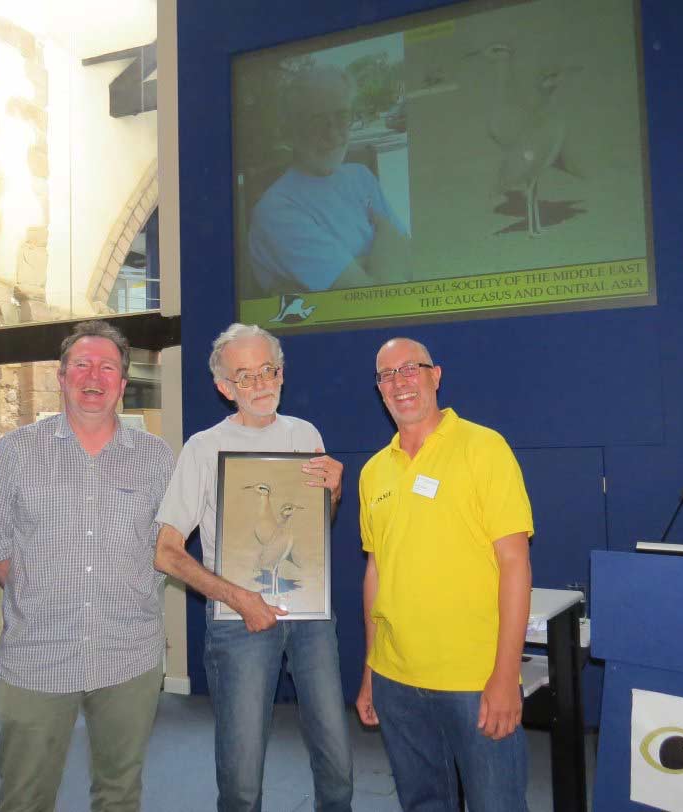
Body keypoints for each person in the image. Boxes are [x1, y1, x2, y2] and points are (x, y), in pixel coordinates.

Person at [0, 320, 175, 812]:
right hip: (38, 654)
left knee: (119, 793)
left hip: (128, 653)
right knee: (24, 796)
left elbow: (170, 547)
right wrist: (38, 597)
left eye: (108, 367)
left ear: (123, 386)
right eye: (81, 364)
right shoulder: (16, 452)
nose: (94, 376)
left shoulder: (156, 458)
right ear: (61, 377)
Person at [153, 323, 353, 812]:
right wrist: (238, 599)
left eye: (268, 371)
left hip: (310, 616)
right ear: (225, 388)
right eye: (245, 376)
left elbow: (313, 530)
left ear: (281, 374)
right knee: (241, 783)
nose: (260, 384)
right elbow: (166, 551)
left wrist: (335, 493)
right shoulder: (202, 448)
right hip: (239, 622)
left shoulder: (306, 434)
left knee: (338, 769)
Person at [355, 337, 534, 812]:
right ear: (379, 389)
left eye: (410, 368)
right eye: (387, 375)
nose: (400, 382)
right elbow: (376, 571)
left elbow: (516, 563)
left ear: (436, 375)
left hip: (474, 680)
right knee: (423, 804)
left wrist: (505, 674)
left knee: (498, 804)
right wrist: (372, 668)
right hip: (396, 680)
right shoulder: (374, 471)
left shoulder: (484, 448)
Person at [249, 64, 411, 295]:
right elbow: (371, 300)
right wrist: (385, 243)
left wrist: (367, 268)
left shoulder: (361, 176)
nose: (333, 134)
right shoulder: (276, 210)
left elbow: (408, 253)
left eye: (342, 117)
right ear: (291, 131)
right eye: (317, 122)